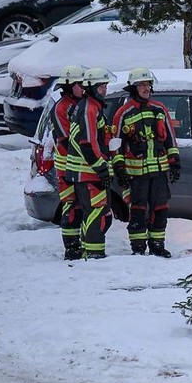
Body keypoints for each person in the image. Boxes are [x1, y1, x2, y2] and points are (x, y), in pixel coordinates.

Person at [110, 68, 180, 257]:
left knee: (161, 209)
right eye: (142, 85)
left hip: (159, 172)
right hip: (136, 174)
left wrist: (174, 162)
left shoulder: (159, 109)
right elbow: (115, 144)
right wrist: (120, 169)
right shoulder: (123, 113)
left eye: (148, 84)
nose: (146, 88)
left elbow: (170, 139)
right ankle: (138, 248)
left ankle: (157, 245)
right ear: (133, 88)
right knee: (138, 210)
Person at [69, 67, 115, 259]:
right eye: (101, 86)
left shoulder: (90, 106)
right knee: (96, 213)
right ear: (90, 87)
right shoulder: (89, 108)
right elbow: (88, 143)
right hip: (88, 172)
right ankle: (95, 254)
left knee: (97, 213)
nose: (104, 90)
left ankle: (89, 251)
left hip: (87, 171)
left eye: (105, 86)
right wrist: (101, 169)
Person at [48, 64, 87, 260]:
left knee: (83, 206)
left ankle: (81, 244)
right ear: (70, 85)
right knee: (71, 206)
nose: (84, 88)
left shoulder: (82, 104)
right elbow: (66, 140)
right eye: (80, 84)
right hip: (66, 168)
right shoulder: (61, 108)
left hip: (81, 166)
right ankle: (71, 248)